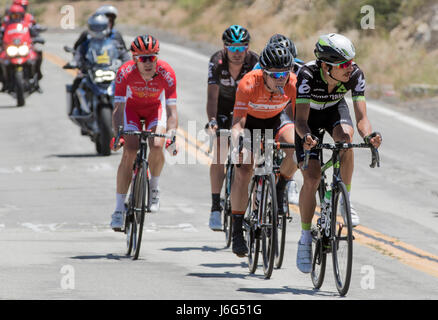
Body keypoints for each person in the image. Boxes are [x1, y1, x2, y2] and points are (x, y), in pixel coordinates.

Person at [294, 33, 382, 273]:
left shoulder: (354, 74)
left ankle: (344, 200)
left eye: (351, 61)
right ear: (325, 66)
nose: (349, 68)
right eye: (343, 64)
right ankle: (304, 238)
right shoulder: (307, 75)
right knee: (311, 178)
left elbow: (362, 119)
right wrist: (306, 138)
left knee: (346, 139)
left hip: (334, 111)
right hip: (308, 118)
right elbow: (300, 120)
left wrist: (369, 136)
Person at [229, 43, 298, 257]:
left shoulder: (293, 83)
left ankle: (281, 186)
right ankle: (237, 229)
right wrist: (239, 142)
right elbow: (238, 124)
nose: (281, 79)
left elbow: (301, 119)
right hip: (250, 124)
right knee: (243, 170)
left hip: (277, 120)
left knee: (296, 148)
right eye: (275, 74)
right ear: (263, 72)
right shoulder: (248, 83)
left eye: (284, 74)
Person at [110, 34, 179, 230]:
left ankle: (154, 188)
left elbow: (172, 110)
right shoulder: (124, 73)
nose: (148, 63)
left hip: (154, 111)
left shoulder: (166, 72)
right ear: (134, 59)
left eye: (152, 57)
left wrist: (172, 134)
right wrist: (118, 134)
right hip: (131, 110)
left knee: (157, 145)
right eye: (143, 58)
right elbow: (118, 109)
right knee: (130, 151)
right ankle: (118, 209)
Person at [206, 25, 259, 231]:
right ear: (225, 47)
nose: (237, 53)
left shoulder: (255, 62)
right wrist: (212, 121)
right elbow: (212, 96)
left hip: (247, 108)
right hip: (224, 106)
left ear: (247, 47)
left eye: (241, 48)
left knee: (252, 156)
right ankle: (215, 208)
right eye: (232, 48)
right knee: (220, 150)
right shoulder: (216, 61)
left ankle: (254, 210)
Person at [253, 33, 303, 205]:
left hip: (286, 111)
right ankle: (259, 181)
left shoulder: (300, 69)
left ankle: (288, 181)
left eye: (288, 65)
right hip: (263, 110)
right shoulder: (257, 69)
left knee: (297, 144)